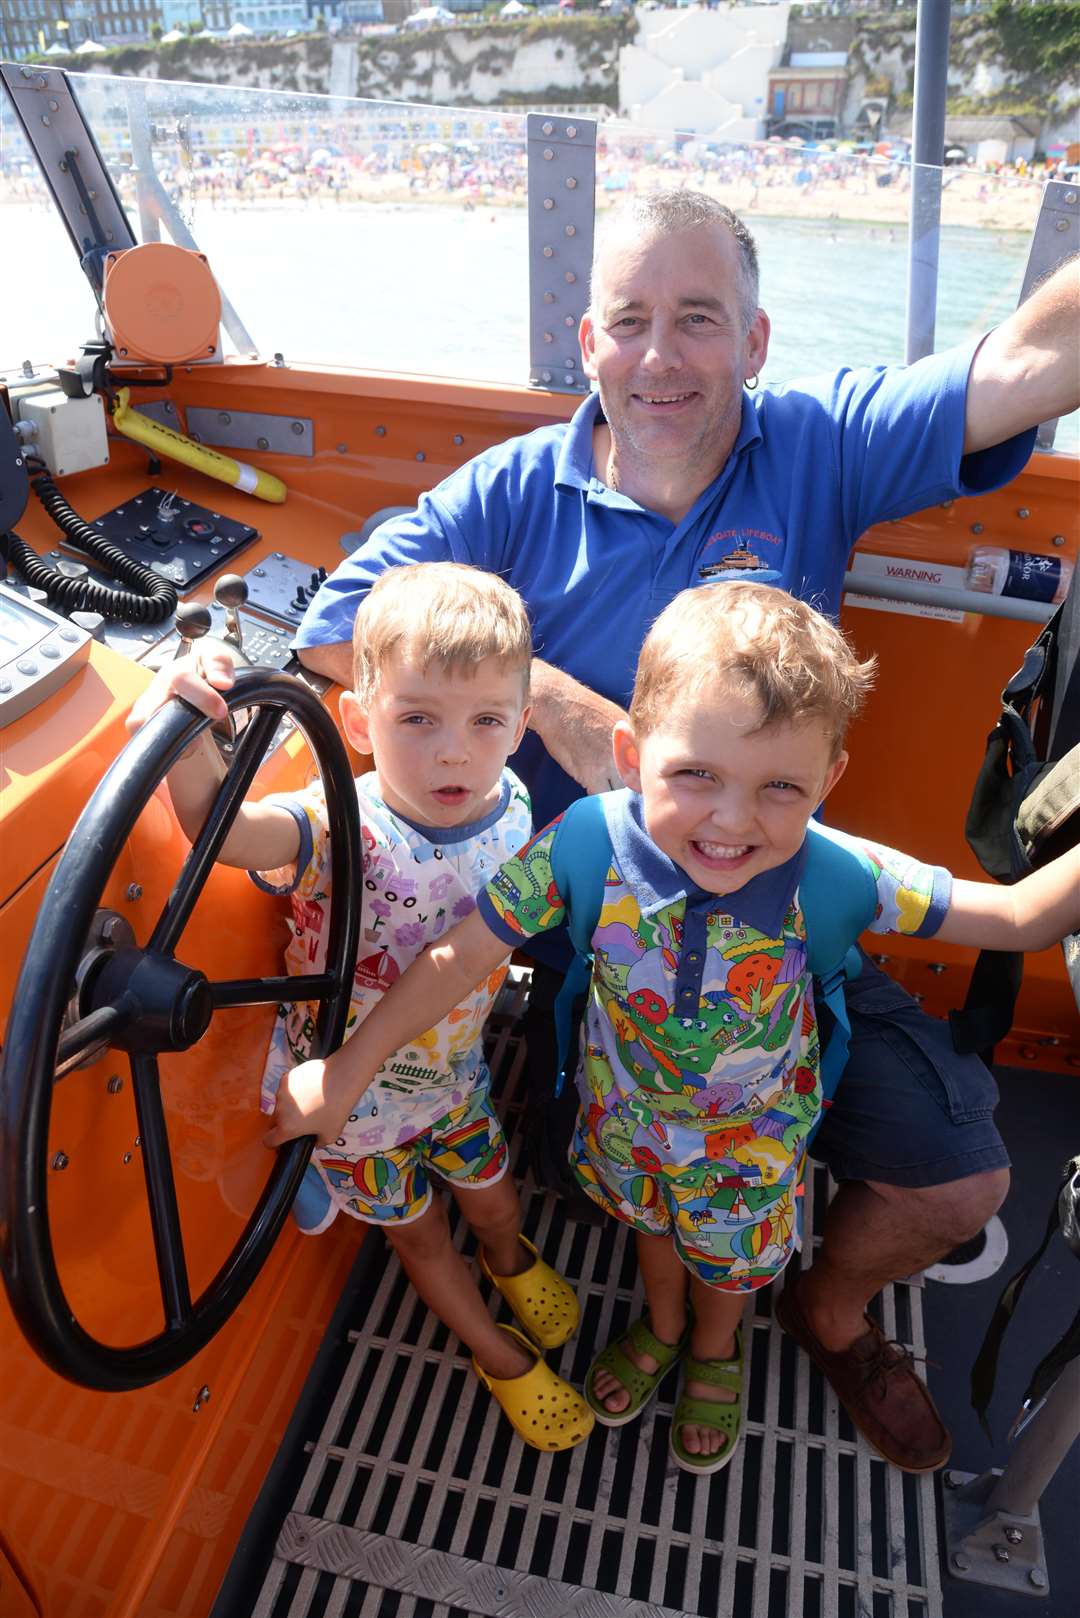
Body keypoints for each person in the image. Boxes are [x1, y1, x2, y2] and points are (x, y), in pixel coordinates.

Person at [292, 191, 1080, 1472]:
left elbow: (1031, 363)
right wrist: (557, 705)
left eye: (698, 319)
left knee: (962, 1182)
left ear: (756, 341)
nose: (660, 358)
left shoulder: (818, 442)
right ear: (587, 341)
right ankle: (650, 1305)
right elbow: (335, 626)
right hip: (580, 937)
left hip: (783, 919)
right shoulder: (507, 491)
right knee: (604, 1173)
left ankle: (822, 1313)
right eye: (631, 322)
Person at [264, 582, 1080, 1475]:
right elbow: (459, 961)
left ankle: (713, 1352)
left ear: (830, 780)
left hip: (751, 1150)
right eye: (696, 775)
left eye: (781, 787)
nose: (732, 821)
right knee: (649, 1232)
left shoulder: (842, 873)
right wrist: (346, 1072)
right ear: (631, 749)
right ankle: (659, 1327)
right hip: (626, 1125)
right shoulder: (582, 844)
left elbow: (1018, 920)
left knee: (725, 1271)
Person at [126, 562, 593, 1455]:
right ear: (357, 721)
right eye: (418, 718)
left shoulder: (518, 803)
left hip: (455, 1079)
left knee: (494, 1203)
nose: (454, 751)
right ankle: (494, 1350)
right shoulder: (342, 825)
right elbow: (225, 833)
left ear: (521, 726)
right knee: (421, 1240)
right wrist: (191, 739)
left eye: (486, 720)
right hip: (355, 1107)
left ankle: (511, 1260)